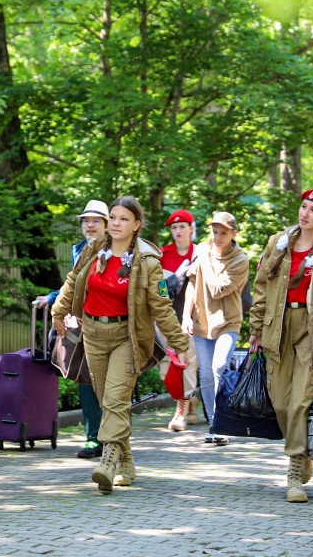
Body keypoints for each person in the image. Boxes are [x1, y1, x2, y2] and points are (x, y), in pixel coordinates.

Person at [51, 196, 189, 494]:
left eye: (123, 219)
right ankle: (127, 463)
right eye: (112, 217)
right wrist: (57, 311)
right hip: (92, 333)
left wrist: (179, 343)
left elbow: (162, 306)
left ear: (136, 225)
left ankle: (108, 463)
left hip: (127, 336)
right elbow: (74, 280)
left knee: (115, 401)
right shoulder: (93, 249)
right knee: (106, 401)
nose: (115, 223)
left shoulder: (148, 261)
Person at [249, 188, 313, 503]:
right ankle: (303, 453)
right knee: (280, 401)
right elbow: (262, 286)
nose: (304, 214)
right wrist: (255, 328)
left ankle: (294, 471)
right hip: (277, 327)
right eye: (303, 207)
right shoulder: (278, 243)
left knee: (299, 402)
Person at [34, 199, 110, 459]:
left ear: (107, 225)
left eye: (96, 221)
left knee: (111, 382)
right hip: (81, 324)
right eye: (86, 220)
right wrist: (53, 299)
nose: (90, 225)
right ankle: (93, 438)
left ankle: (113, 437)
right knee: (85, 378)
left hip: (110, 322)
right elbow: (74, 283)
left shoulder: (115, 250)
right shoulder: (79, 249)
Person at [181, 211, 250, 445]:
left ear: (233, 233)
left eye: (224, 232)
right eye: (214, 232)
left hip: (228, 322)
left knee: (220, 367)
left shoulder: (240, 259)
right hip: (202, 323)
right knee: (206, 374)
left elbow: (217, 290)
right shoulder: (204, 253)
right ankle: (214, 424)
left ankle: (222, 422)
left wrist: (205, 259)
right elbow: (192, 283)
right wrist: (185, 316)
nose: (218, 237)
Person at [160, 209, 202, 430]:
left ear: (191, 229)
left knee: (187, 363)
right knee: (167, 366)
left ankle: (181, 410)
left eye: (182, 227)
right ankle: (191, 401)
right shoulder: (162, 254)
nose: (177, 231)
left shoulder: (200, 252)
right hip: (166, 319)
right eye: (174, 228)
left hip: (192, 319)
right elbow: (157, 288)